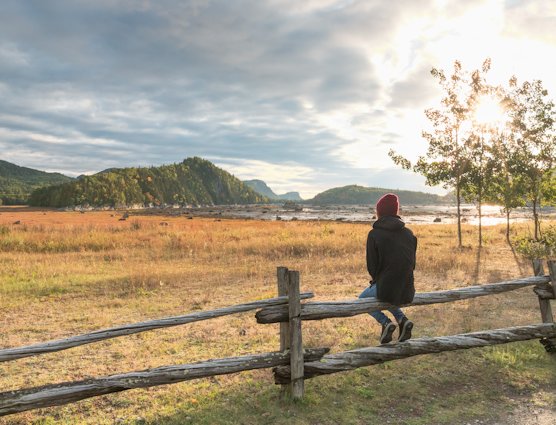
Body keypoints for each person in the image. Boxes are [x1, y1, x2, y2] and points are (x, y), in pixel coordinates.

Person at [359, 193, 417, 344]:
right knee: (388, 291)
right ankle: (402, 319)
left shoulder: (374, 234)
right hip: (408, 289)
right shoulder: (409, 233)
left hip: (387, 288)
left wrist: (378, 281)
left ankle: (386, 323)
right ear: (395, 211)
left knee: (362, 300)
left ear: (379, 212)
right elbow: (413, 264)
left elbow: (372, 267)